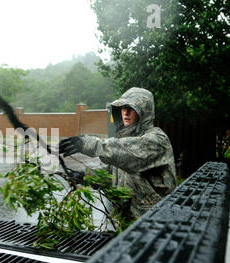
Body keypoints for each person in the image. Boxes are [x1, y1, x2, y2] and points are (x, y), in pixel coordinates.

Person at [58, 87, 176, 219]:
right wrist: (86, 176)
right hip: (123, 221)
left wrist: (91, 144)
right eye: (123, 108)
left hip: (152, 221)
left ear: (144, 112)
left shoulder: (157, 140)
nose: (126, 112)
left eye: (131, 108)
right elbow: (110, 175)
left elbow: (128, 152)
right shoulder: (123, 141)